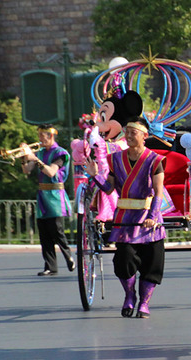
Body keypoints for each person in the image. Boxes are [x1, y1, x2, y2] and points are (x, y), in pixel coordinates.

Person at [87, 117, 166, 318]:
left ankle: (144, 303)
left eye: (134, 132)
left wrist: (153, 216)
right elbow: (109, 188)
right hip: (124, 219)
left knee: (152, 262)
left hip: (149, 217)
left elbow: (158, 192)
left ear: (145, 136)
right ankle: (129, 295)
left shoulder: (155, 160)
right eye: (127, 132)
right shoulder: (115, 159)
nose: (129, 136)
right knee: (123, 259)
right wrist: (96, 175)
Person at [21, 124, 74, 276]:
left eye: (42, 137)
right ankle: (50, 266)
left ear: (50, 136)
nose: (39, 140)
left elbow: (51, 172)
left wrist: (35, 158)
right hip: (43, 195)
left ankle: (69, 257)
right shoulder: (42, 152)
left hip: (56, 195)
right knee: (44, 233)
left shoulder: (61, 153)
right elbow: (27, 170)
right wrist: (24, 157)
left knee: (57, 231)